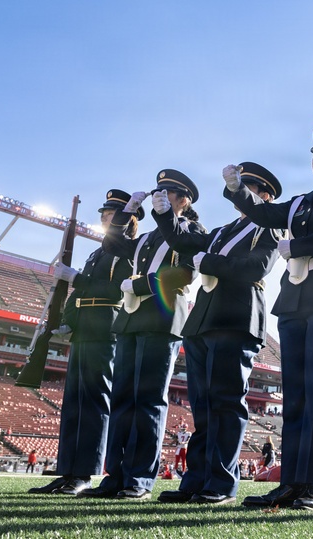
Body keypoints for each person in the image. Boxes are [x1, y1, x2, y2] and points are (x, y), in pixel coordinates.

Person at [230, 123, 313, 513]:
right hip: (295, 299)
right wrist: (238, 190)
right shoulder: (302, 201)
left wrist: (296, 244)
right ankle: (291, 482)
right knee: (297, 397)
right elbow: (263, 212)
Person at [152, 163, 281, 505]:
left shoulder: (267, 227)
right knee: (203, 407)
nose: (243, 194)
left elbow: (256, 267)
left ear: (264, 196)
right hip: (204, 319)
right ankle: (196, 480)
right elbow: (181, 239)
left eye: (250, 188)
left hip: (236, 315)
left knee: (225, 402)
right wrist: (164, 214)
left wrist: (207, 262)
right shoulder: (224, 230)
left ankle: (221, 483)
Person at [81, 170, 205, 500]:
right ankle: (115, 475)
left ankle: (139, 478)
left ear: (184, 199)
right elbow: (112, 241)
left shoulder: (191, 231)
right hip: (132, 319)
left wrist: (137, 285)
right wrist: (125, 213)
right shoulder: (149, 237)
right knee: (123, 399)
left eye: (167, 193)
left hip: (161, 317)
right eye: (157, 192)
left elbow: (184, 274)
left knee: (147, 400)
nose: (158, 196)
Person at [29, 191, 139, 496]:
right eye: (104, 215)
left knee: (94, 402)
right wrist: (66, 320)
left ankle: (84, 474)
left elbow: (117, 292)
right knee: (74, 404)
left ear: (126, 221)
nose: (104, 219)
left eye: (110, 216)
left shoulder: (126, 253)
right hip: (84, 330)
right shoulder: (97, 254)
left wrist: (76, 278)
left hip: (105, 329)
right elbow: (77, 296)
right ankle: (67, 472)